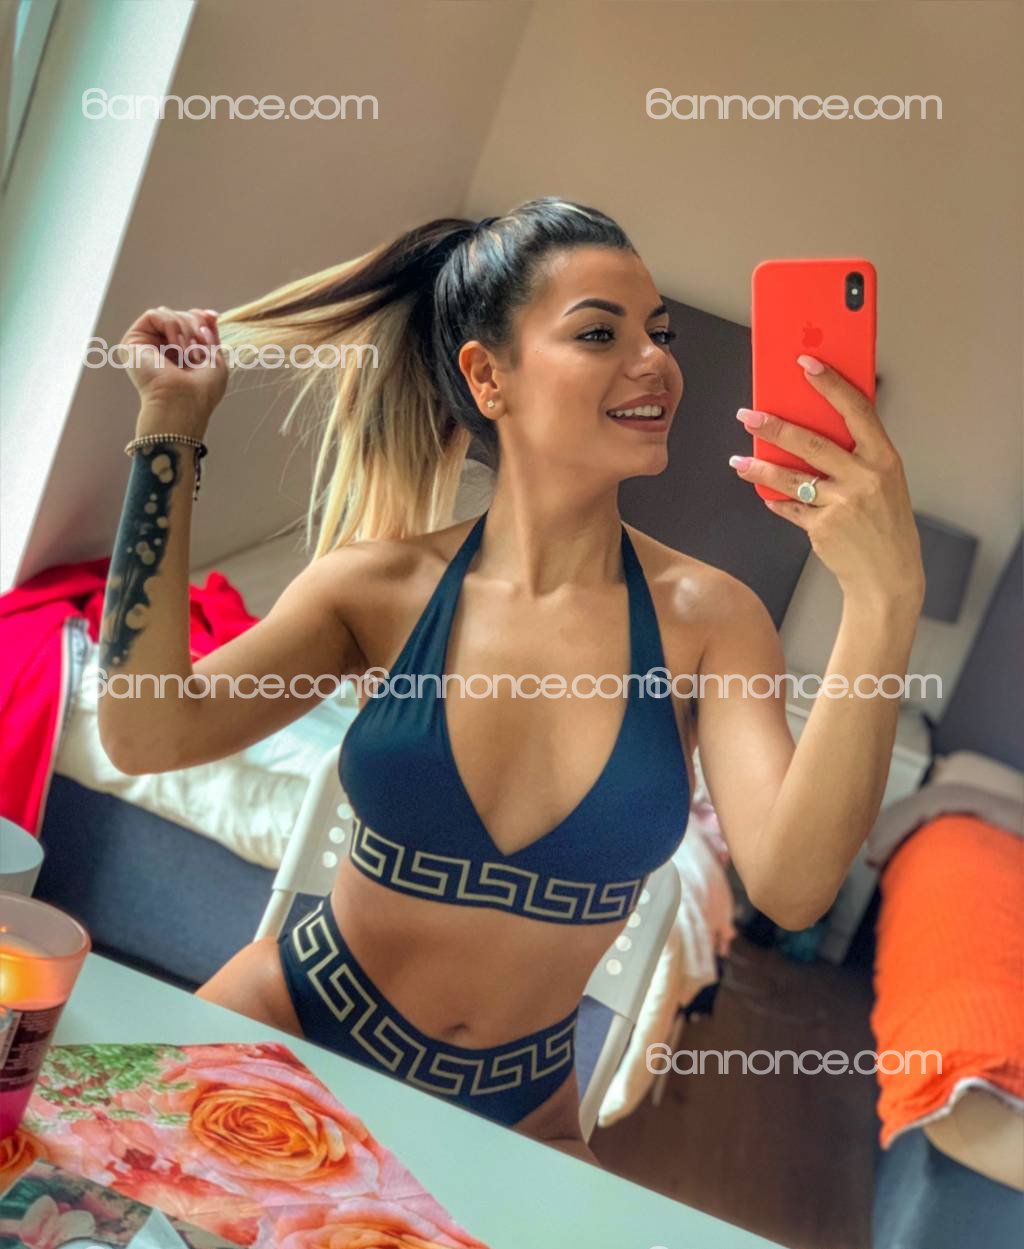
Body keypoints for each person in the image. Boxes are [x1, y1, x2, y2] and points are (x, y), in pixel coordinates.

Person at [98, 197, 925, 1165]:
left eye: (658, 332)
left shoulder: (713, 620)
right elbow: (145, 735)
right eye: (600, 333)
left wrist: (884, 598)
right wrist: (168, 430)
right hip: (285, 1032)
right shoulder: (378, 588)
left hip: (516, 1111)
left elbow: (792, 887)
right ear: (489, 377)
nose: (656, 361)